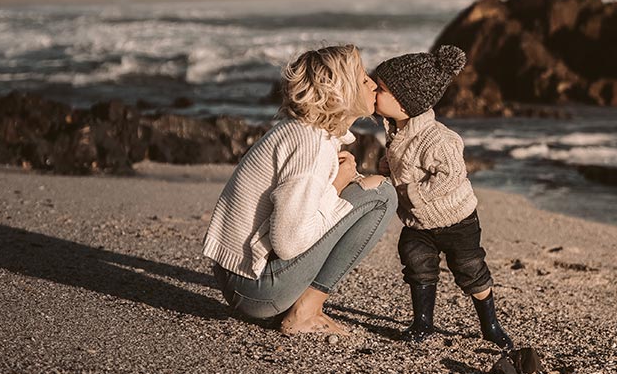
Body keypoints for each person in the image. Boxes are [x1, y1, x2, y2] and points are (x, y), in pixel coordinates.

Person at [202, 44, 397, 335]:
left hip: (244, 277)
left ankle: (302, 307)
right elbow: (289, 242)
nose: (372, 83)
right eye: (361, 77)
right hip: (255, 288)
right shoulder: (311, 144)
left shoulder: (308, 132)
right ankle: (305, 312)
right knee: (381, 196)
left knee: (366, 191)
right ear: (339, 90)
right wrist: (338, 186)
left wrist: (338, 187)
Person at [374, 45, 514, 350]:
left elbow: (450, 175)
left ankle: (490, 324)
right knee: (416, 262)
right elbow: (403, 161)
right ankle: (423, 322)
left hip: (456, 220)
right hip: (418, 222)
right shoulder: (396, 128)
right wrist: (386, 167)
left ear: (405, 101)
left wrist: (412, 192)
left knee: (469, 269)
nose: (373, 90)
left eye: (380, 88)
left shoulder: (438, 138)